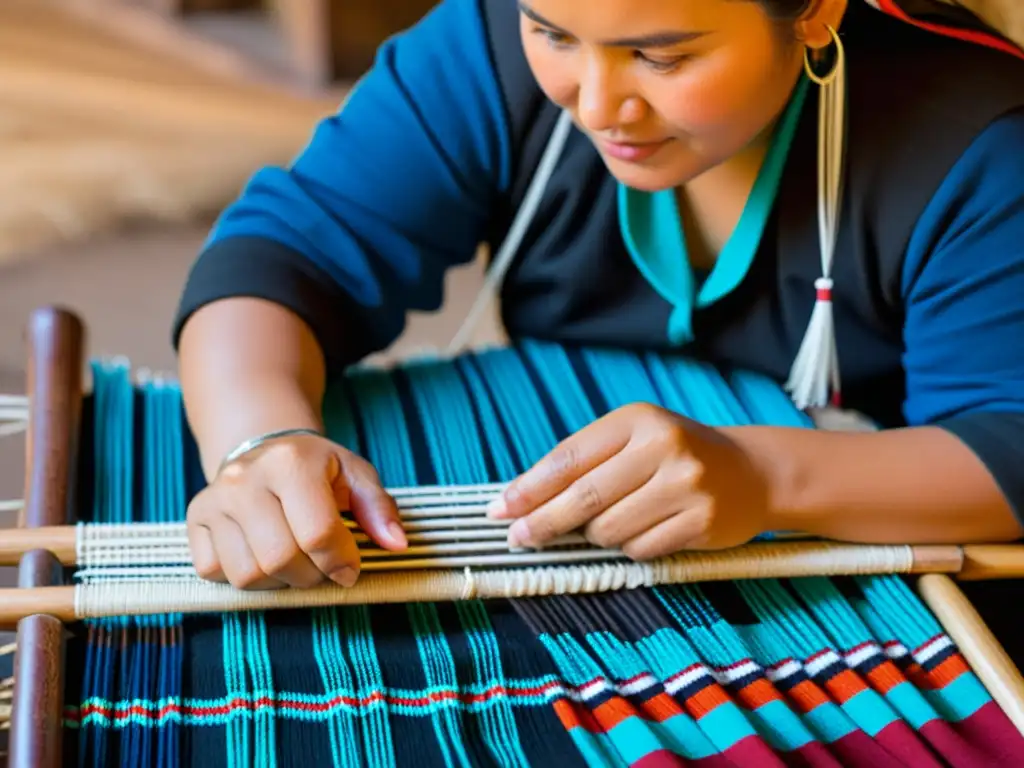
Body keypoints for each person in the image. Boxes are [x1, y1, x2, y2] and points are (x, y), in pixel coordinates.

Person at [171, 0, 1024, 602]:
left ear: (816, 11)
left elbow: (1008, 441)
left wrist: (765, 477)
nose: (596, 103)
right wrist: (261, 441)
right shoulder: (487, 44)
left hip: (892, 596)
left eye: (661, 55)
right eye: (552, 31)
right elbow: (282, 254)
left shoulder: (984, 145)